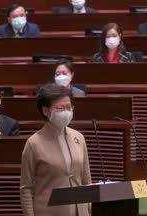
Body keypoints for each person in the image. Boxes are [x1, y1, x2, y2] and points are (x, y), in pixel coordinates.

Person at [20, 83, 91, 216]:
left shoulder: (79, 138)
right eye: (60, 108)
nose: (66, 112)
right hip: (49, 211)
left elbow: (86, 181)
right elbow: (26, 188)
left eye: (69, 107)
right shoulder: (34, 143)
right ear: (45, 111)